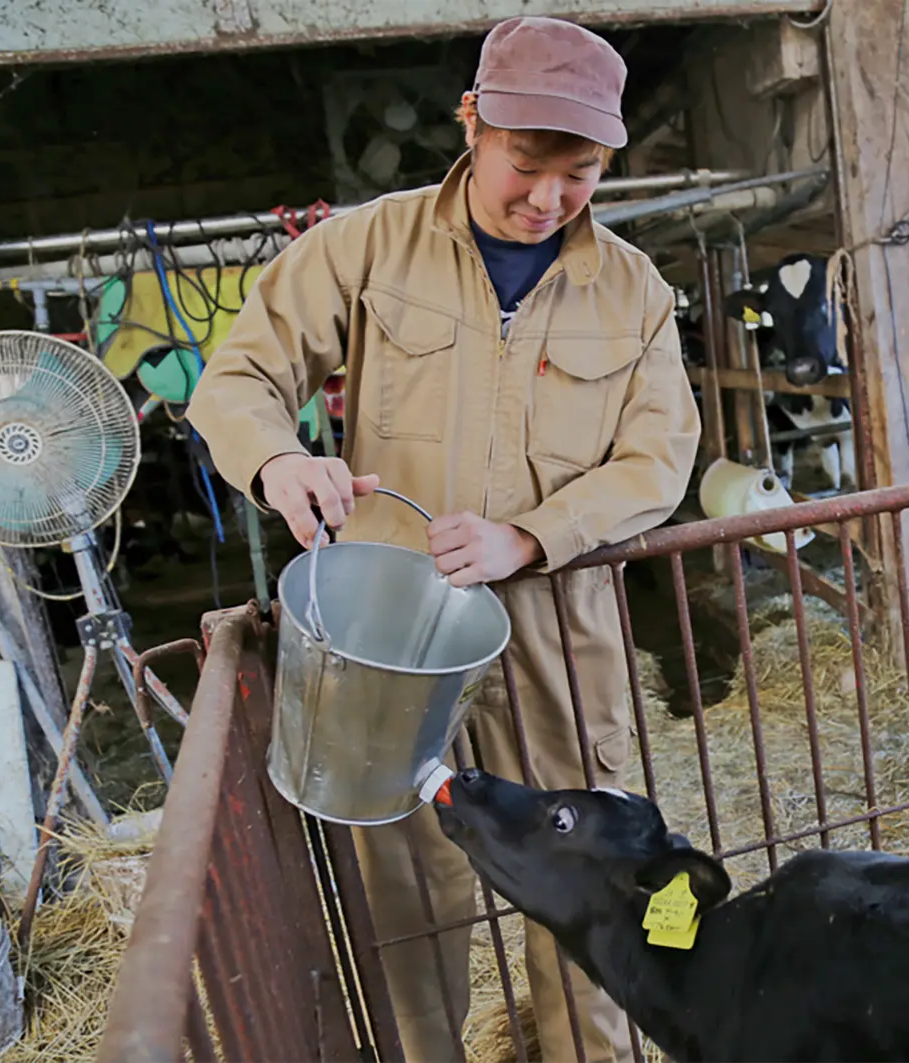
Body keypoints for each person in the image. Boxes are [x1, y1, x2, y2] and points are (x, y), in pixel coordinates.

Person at [185, 15, 701, 1062]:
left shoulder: (633, 291)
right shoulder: (366, 248)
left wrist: (532, 535)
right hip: (393, 637)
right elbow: (237, 379)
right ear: (471, 122)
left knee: (588, 872)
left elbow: (659, 459)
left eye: (581, 171)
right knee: (409, 891)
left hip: (556, 628)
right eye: (526, 164)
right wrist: (281, 462)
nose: (549, 198)